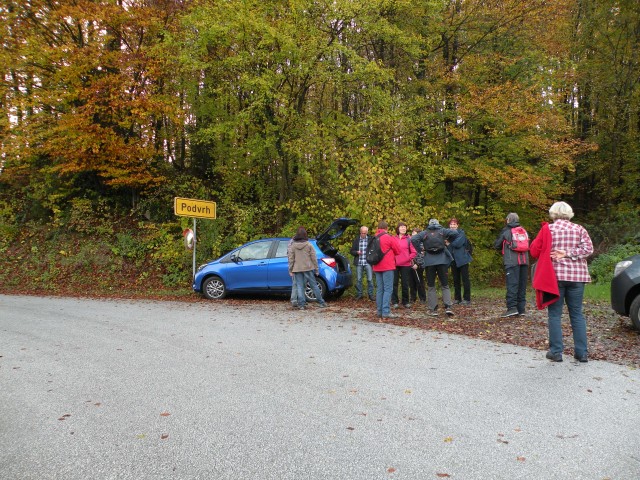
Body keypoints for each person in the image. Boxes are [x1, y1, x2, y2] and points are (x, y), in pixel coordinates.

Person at [530, 202, 594, 363]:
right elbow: (588, 249)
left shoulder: (548, 229)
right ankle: (581, 353)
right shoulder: (579, 229)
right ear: (569, 213)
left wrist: (559, 252)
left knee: (554, 314)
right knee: (577, 314)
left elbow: (534, 251)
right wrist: (569, 253)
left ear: (553, 214)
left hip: (555, 277)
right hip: (577, 277)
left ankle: (556, 352)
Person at [411, 219, 459, 317]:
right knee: (445, 285)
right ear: (438, 224)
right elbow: (455, 233)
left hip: (429, 261)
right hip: (442, 260)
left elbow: (413, 239)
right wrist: (448, 241)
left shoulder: (424, 233)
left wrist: (420, 250)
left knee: (431, 286)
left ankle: (433, 309)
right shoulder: (443, 231)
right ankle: (448, 306)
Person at [494, 212, 529, 317]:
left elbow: (497, 245)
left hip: (511, 261)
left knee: (512, 285)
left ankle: (512, 308)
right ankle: (521, 309)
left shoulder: (506, 231)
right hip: (524, 261)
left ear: (508, 220)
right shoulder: (523, 230)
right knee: (522, 285)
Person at [287, 227, 328, 310]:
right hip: (308, 268)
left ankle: (301, 305)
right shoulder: (309, 245)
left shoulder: (293, 246)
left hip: (297, 268)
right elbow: (314, 258)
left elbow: (291, 259)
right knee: (314, 286)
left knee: (299, 286)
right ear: (305, 235)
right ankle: (321, 302)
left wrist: (290, 270)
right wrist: (316, 269)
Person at [372, 220, 402, 319]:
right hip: (388, 266)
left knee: (380, 289)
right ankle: (386, 311)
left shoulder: (374, 238)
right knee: (388, 289)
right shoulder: (389, 238)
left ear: (378, 228)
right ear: (386, 228)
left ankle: (379, 311)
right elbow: (398, 251)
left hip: (376, 266)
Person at [447, 218, 472, 305]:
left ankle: (467, 299)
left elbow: (457, 244)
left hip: (463, 259)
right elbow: (446, 247)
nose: (452, 226)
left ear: (457, 225)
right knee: (456, 280)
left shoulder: (461, 233)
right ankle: (457, 298)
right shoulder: (448, 235)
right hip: (453, 260)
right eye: (451, 224)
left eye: (454, 224)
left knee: (465, 280)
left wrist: (449, 243)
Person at [391, 222, 416, 309]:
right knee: (394, 283)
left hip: (406, 265)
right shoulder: (393, 238)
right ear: (398, 229)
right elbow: (390, 251)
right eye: (401, 227)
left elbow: (414, 252)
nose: (403, 229)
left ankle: (405, 302)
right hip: (394, 264)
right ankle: (394, 301)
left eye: (404, 227)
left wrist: (408, 258)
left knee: (405, 283)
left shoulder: (409, 239)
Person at [350, 226, 375, 301]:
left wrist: (371, 254)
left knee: (370, 279)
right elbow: (351, 251)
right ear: (360, 232)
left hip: (368, 262)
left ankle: (371, 295)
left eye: (364, 233)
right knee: (359, 279)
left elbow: (374, 250)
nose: (363, 234)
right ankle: (359, 294)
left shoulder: (370, 239)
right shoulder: (357, 240)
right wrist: (356, 252)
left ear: (367, 233)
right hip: (359, 262)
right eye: (362, 233)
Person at [408, 228, 426, 304]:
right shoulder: (409, 242)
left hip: (419, 265)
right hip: (410, 264)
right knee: (411, 282)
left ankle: (422, 298)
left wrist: (417, 264)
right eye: (412, 233)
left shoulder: (421, 243)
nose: (413, 235)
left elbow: (422, 255)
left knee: (419, 281)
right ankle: (413, 297)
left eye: (415, 233)